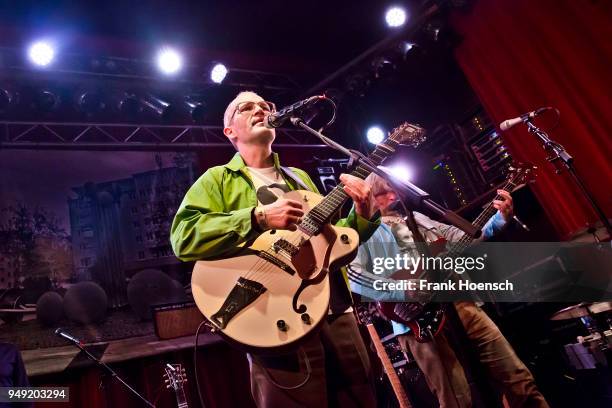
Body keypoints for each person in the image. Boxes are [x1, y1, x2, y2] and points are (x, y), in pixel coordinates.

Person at [171, 91, 380, 407]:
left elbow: (334, 243)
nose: (260, 109)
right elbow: (183, 237)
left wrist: (363, 214)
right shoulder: (217, 180)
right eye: (246, 107)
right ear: (230, 132)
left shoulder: (300, 178)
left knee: (362, 398)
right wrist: (257, 217)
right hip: (272, 312)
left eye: (265, 106)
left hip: (334, 309)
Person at [349, 172, 549, 408]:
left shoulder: (418, 218)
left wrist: (498, 219)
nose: (393, 196)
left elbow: (462, 238)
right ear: (370, 197)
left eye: (395, 190)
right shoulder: (363, 233)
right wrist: (402, 290)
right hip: (417, 324)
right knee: (457, 401)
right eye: (384, 193)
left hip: (461, 305)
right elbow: (357, 279)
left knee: (519, 381)